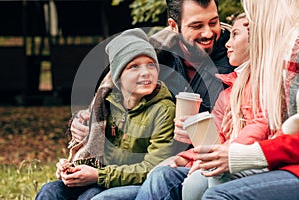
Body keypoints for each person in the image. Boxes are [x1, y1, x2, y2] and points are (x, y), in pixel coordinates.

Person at [134, 12, 274, 200]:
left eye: (235, 34)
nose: (227, 44)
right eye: (133, 67)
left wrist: (223, 153)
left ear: (256, 38)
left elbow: (261, 124)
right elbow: (215, 138)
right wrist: (184, 158)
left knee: (196, 180)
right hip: (220, 160)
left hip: (248, 161)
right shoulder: (229, 91)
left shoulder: (267, 81)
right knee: (161, 174)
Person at [35, 28, 176, 200]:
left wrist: (99, 175)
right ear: (118, 75)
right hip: (99, 175)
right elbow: (87, 151)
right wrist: (70, 168)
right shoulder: (105, 102)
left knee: (90, 196)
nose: (146, 72)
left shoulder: (163, 109)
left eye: (151, 65)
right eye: (134, 66)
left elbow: (154, 166)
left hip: (132, 183)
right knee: (50, 191)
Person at [70, 0, 235, 146]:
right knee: (55, 183)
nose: (208, 33)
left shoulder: (238, 60)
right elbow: (117, 104)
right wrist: (85, 122)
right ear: (173, 26)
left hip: (200, 163)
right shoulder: (156, 58)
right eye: (197, 26)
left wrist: (205, 135)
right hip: (148, 159)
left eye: (213, 22)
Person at [190, 0, 299, 199]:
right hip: (276, 156)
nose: (209, 34)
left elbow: (264, 124)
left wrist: (235, 153)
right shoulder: (233, 84)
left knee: (214, 189)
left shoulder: (288, 55)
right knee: (165, 176)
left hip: (283, 161)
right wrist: (186, 153)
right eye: (196, 26)